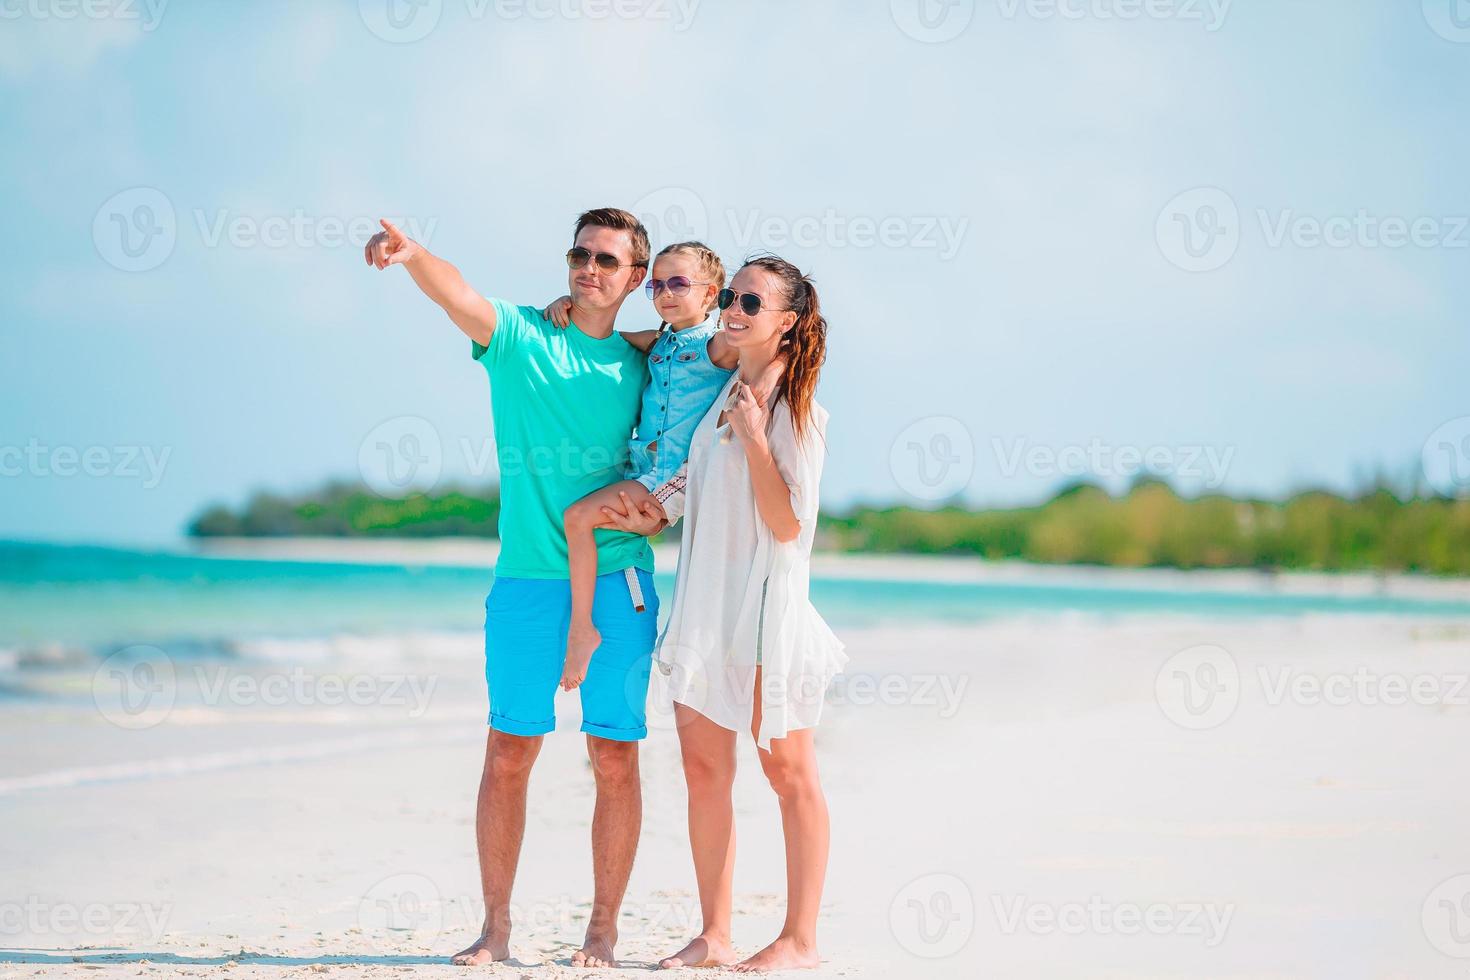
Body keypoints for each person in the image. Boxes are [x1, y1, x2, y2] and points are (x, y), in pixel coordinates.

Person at [363, 207, 672, 969]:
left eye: (608, 261)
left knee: (614, 756)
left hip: (619, 577)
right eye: (580, 255)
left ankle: (602, 933)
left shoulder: (648, 361)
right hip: (528, 581)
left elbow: (707, 340)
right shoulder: (522, 339)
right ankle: (494, 930)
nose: (589, 269)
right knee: (508, 751)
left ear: (635, 279)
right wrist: (413, 256)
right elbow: (458, 295)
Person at [602, 254, 847, 972]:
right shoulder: (721, 396)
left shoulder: (798, 412)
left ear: (789, 322)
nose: (734, 310)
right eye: (731, 297)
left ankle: (799, 939)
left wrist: (753, 438)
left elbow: (788, 525)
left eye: (750, 301)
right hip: (704, 611)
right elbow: (684, 490)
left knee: (789, 773)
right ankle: (715, 935)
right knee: (706, 774)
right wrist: (620, 517)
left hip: (768, 613)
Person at [541, 242, 783, 692]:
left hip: (674, 475)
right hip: (642, 469)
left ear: (712, 295)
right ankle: (621, 623)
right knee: (586, 519)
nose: (664, 293)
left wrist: (767, 381)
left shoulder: (719, 347)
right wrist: (568, 306)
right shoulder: (659, 342)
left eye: (678, 284)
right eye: (656, 284)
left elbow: (779, 344)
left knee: (577, 519)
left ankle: (582, 630)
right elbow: (606, 337)